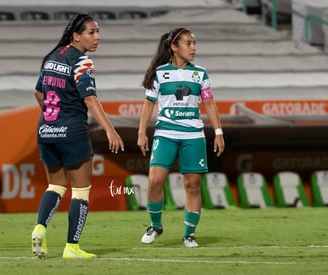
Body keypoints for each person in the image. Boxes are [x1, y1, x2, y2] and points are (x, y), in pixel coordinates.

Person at [31, 13, 124, 259]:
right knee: (80, 191)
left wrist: (55, 115)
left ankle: (40, 228)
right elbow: (90, 99)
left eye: (98, 31)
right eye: (91, 32)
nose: (97, 37)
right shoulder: (82, 62)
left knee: (55, 185)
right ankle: (72, 247)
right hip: (72, 131)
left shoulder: (52, 58)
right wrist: (110, 129)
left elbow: (38, 93)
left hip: (46, 129)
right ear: (76, 36)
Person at [137, 27, 225, 248]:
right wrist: (141, 133)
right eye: (188, 43)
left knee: (192, 186)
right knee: (154, 181)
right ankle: (155, 225)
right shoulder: (159, 73)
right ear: (174, 47)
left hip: (193, 135)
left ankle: (189, 234)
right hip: (165, 133)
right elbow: (148, 103)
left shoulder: (200, 74)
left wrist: (218, 132)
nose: (193, 48)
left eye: (194, 43)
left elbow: (210, 104)